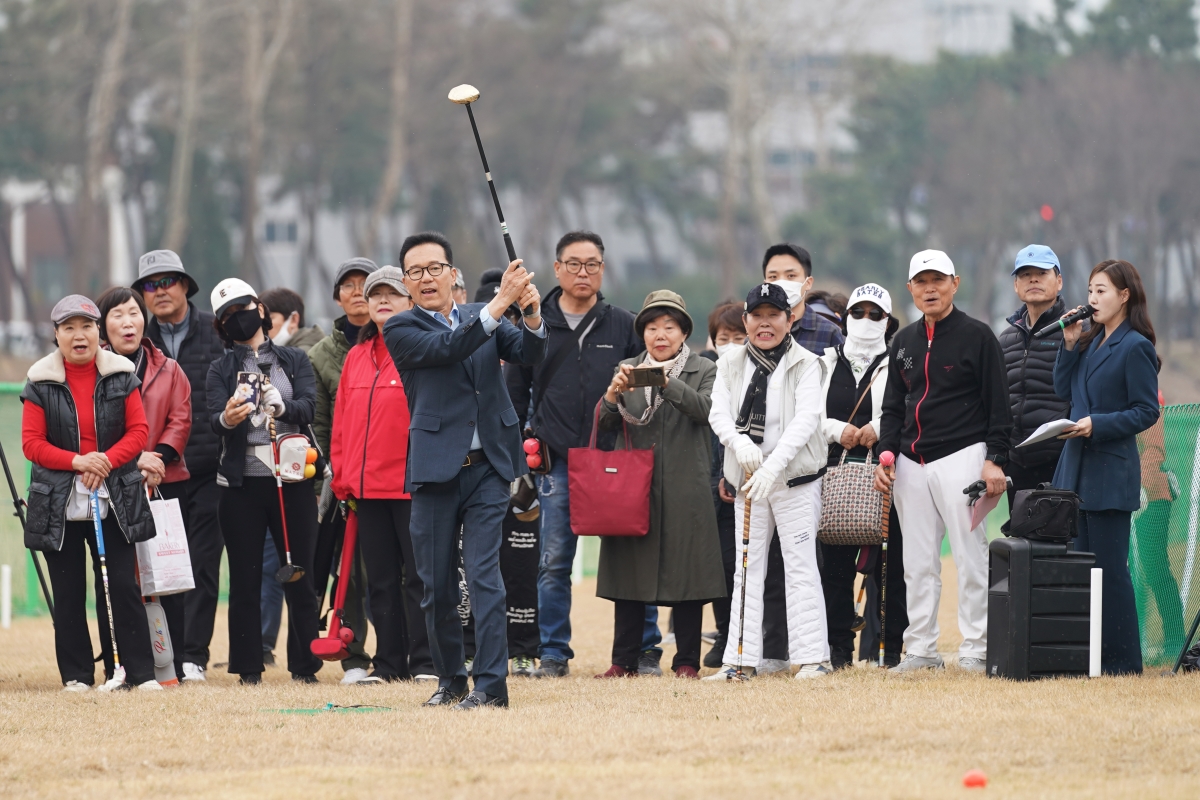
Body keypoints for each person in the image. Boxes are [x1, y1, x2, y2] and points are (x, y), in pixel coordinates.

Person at [384, 231, 546, 709]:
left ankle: (491, 688)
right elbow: (450, 348)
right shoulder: (400, 328)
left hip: (489, 468)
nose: (426, 278)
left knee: (483, 578)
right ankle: (451, 679)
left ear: (453, 274)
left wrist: (532, 313)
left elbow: (530, 354)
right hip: (434, 470)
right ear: (407, 284)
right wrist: (500, 304)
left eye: (435, 268)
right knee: (434, 586)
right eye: (415, 272)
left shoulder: (482, 315)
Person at [503, 230, 652, 679]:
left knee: (630, 558)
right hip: (557, 462)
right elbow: (515, 395)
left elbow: (643, 394)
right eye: (573, 263)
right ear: (556, 269)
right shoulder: (534, 320)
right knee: (553, 563)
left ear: (602, 269)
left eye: (591, 264)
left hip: (613, 460)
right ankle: (553, 653)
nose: (582, 272)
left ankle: (642, 650)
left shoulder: (623, 323)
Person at [874, 250, 1012, 674]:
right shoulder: (903, 341)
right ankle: (921, 650)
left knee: (971, 556)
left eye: (938, 280)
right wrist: (887, 453)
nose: (930, 288)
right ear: (910, 289)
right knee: (916, 563)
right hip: (910, 463)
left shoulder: (978, 336)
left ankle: (977, 648)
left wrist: (995, 461)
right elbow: (894, 407)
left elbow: (999, 406)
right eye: (921, 281)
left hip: (964, 456)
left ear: (955, 282)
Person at [21, 295, 158, 691]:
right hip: (59, 500)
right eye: (69, 328)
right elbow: (32, 443)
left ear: (99, 332)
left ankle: (138, 672)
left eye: (86, 327)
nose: (79, 336)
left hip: (113, 495)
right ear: (56, 335)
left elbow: (138, 433)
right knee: (67, 593)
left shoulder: (121, 373)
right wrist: (79, 462)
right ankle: (77, 676)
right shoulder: (39, 380)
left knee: (121, 586)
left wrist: (106, 461)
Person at [594, 291, 724, 679]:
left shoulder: (704, 368)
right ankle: (623, 661)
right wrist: (613, 393)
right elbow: (605, 423)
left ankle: (686, 661)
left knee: (689, 575)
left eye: (669, 326)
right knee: (629, 572)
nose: (660, 335)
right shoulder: (628, 366)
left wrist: (668, 383)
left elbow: (707, 411)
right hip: (635, 486)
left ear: (684, 332)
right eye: (651, 327)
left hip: (688, 484)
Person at [705, 283, 832, 680]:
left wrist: (772, 468)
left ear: (789, 318)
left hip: (794, 478)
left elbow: (806, 421)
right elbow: (718, 413)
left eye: (773, 315)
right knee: (747, 568)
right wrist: (739, 444)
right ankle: (739, 662)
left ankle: (813, 658)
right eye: (757, 315)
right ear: (746, 320)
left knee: (800, 567)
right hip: (748, 478)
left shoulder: (808, 362)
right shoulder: (730, 362)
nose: (765, 323)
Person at [206, 279, 323, 685]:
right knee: (245, 576)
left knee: (300, 572)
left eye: (243, 308)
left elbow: (309, 406)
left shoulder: (293, 359)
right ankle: (248, 667)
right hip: (242, 485)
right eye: (227, 316)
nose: (237, 318)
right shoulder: (221, 368)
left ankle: (305, 666)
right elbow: (212, 420)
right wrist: (228, 418)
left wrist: (283, 405)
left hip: (292, 479)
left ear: (260, 308)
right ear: (221, 326)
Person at [1054, 259, 1160, 675]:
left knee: (1110, 570)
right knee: (1082, 569)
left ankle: (1121, 663)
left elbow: (1146, 411)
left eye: (1101, 291)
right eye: (1090, 291)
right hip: (1076, 468)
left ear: (1124, 295)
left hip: (1110, 470)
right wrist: (1068, 343)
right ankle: (1089, 656)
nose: (1092, 299)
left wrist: (1098, 424)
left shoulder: (1135, 346)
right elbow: (1064, 390)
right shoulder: (1087, 342)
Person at [330, 266, 433, 682]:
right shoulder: (356, 356)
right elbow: (342, 424)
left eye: (393, 293)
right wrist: (342, 478)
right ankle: (389, 664)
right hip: (365, 490)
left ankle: (426, 662)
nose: (383, 300)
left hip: (413, 487)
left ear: (411, 302)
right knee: (382, 583)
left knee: (421, 579)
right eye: (376, 295)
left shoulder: (423, 350)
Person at [136, 250, 227, 683]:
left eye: (169, 281)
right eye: (151, 285)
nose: (161, 291)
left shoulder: (216, 330)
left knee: (205, 564)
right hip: (157, 474)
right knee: (161, 565)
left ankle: (195, 655)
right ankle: (164, 654)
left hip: (209, 468)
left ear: (186, 286)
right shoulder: (136, 338)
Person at [96, 286, 193, 682]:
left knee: (168, 572)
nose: (127, 322)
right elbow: (94, 430)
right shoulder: (95, 371)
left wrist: (159, 459)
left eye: (134, 313)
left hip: (164, 481)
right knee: (117, 577)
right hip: (112, 482)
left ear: (144, 320)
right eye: (117, 315)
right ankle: (119, 663)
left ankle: (176, 663)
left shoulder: (169, 368)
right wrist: (136, 458)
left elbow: (181, 418)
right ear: (104, 325)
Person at [757, 244, 844, 675]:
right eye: (773, 274)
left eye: (789, 274)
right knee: (762, 566)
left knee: (806, 562)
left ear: (807, 283)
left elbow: (827, 405)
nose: (781, 282)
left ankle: (816, 653)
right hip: (758, 471)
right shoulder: (758, 325)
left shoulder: (827, 332)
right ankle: (770, 651)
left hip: (808, 468)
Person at [817, 283, 907, 669]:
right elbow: (807, 415)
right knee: (834, 570)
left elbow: (908, 407)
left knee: (890, 570)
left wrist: (877, 426)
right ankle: (838, 649)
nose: (866, 321)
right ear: (844, 318)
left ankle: (888, 649)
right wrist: (837, 430)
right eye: (858, 313)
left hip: (886, 476)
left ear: (888, 322)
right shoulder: (820, 363)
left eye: (876, 314)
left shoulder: (900, 362)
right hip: (833, 474)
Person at [308, 257, 380, 684]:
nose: (357, 292)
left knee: (396, 570)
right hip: (343, 480)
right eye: (348, 286)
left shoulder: (403, 341)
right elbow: (318, 427)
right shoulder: (320, 355)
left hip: (393, 476)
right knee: (348, 572)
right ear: (337, 297)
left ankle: (404, 654)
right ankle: (354, 657)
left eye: (365, 285)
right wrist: (329, 480)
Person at [257, 287, 322, 667]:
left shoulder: (301, 356)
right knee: (273, 568)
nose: (265, 330)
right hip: (266, 475)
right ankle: (264, 645)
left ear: (292, 320)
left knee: (300, 571)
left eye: (271, 322)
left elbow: (312, 411)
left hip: (303, 474)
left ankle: (305, 656)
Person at [998, 245, 1073, 507]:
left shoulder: (1077, 330)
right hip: (1016, 464)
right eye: (1025, 274)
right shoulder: (1006, 339)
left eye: (1041, 272)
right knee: (1020, 544)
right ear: (1016, 286)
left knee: (1060, 544)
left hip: (1061, 462)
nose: (1033, 279)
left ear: (1059, 281)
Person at [700, 301, 746, 667]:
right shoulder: (706, 374)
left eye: (738, 337)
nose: (730, 343)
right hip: (713, 486)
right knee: (719, 567)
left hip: (749, 481)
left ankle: (750, 636)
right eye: (723, 337)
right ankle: (723, 636)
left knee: (744, 565)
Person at [1133, 389, 1185, 660]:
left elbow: (1153, 451)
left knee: (1155, 569)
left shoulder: (1150, 398)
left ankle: (1176, 640)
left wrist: (1142, 486)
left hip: (1151, 498)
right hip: (1127, 498)